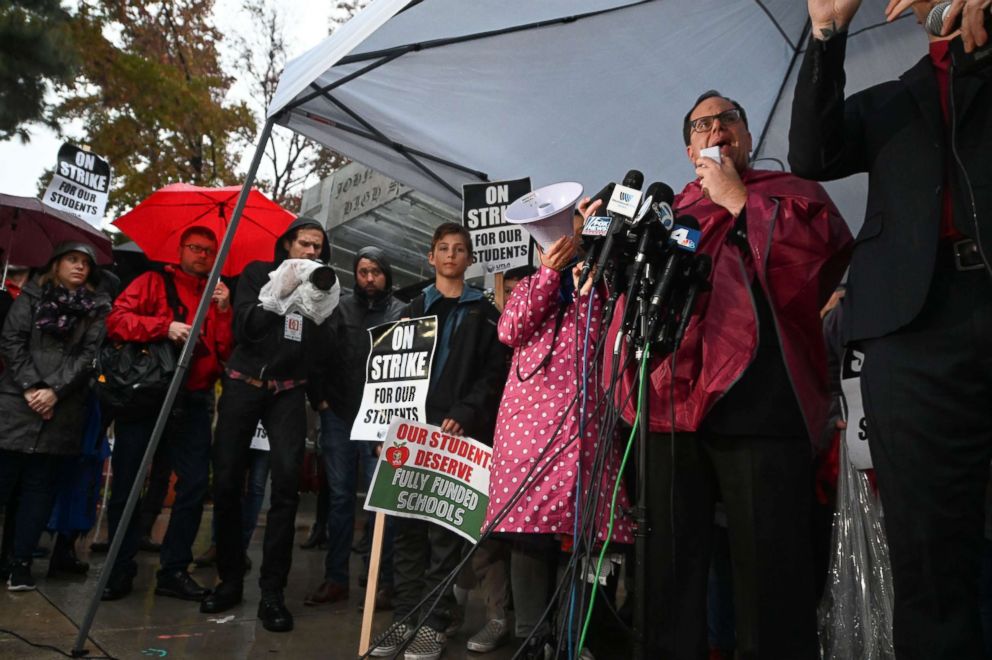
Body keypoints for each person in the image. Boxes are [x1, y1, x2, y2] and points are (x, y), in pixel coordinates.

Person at [601, 91, 852, 658]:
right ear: (688, 147)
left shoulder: (788, 196)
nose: (716, 131)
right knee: (667, 578)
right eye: (701, 125)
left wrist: (740, 201)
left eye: (727, 120)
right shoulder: (667, 214)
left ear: (744, 135)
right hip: (667, 412)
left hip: (761, 410)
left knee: (772, 581)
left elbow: (813, 270)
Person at [789, 1, 992, 656]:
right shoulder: (891, 101)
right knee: (929, 556)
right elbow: (812, 153)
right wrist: (827, 30)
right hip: (915, 333)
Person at [482, 218, 634, 656]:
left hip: (587, 426)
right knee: (528, 530)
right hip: (529, 428)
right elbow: (510, 330)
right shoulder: (530, 285)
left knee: (583, 534)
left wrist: (599, 275)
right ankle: (531, 637)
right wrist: (550, 275)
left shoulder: (605, 288)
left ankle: (572, 639)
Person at [370, 222, 508, 660]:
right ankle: (406, 618)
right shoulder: (410, 311)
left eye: (459, 249)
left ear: (470, 259)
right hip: (410, 434)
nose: (450, 255)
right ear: (430, 258)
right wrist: (382, 429)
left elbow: (493, 377)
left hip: (456, 436)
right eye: (443, 249)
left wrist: (465, 414)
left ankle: (434, 621)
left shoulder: (486, 314)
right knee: (406, 529)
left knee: (445, 534)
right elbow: (389, 375)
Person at [200, 217, 333, 633]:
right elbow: (248, 328)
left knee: (288, 487)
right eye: (305, 245)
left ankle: (272, 592)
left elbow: (318, 349)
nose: (312, 253)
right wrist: (283, 289)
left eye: (318, 248)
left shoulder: (323, 288)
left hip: (288, 392)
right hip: (243, 385)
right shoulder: (259, 274)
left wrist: (321, 396)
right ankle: (230, 578)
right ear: (288, 245)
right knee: (225, 482)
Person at [100, 226, 233, 601]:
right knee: (128, 482)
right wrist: (164, 327)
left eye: (209, 251)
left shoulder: (218, 295)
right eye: (195, 248)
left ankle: (174, 570)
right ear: (180, 249)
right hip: (147, 397)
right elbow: (116, 321)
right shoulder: (152, 281)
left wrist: (223, 312)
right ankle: (119, 568)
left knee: (192, 485)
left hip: (193, 399)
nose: (202, 256)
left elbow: (224, 353)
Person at [0, 241, 111, 591]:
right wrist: (32, 387)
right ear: (57, 264)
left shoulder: (96, 308)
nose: (79, 267)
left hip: (61, 410)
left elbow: (88, 357)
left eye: (85, 263)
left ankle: (20, 563)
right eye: (72, 260)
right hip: (17, 403)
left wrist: (54, 392)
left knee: (39, 491)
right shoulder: (31, 297)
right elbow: (12, 341)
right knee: (5, 484)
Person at [304, 246, 404, 609]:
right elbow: (317, 354)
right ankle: (336, 580)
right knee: (341, 499)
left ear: (387, 274)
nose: (369, 278)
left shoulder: (401, 312)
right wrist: (321, 401)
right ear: (355, 275)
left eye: (376, 271)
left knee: (383, 504)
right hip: (340, 416)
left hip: (381, 422)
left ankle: (383, 581)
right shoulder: (339, 307)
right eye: (363, 271)